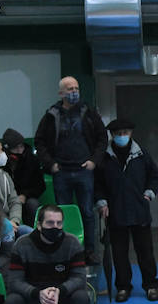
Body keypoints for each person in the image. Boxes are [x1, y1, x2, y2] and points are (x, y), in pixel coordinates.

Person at [34, 76, 107, 261]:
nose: (74, 91)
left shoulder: (88, 112)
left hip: (84, 170)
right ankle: (65, 252)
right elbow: (39, 142)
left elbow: (102, 138)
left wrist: (94, 161)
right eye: (69, 89)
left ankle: (89, 252)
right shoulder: (51, 114)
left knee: (87, 213)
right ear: (61, 93)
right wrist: (50, 164)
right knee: (62, 215)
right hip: (62, 172)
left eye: (76, 88)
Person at [95, 118, 158, 302]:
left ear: (131, 133)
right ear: (112, 135)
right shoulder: (104, 157)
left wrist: (149, 193)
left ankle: (151, 285)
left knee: (146, 252)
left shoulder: (141, 154)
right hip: (115, 212)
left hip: (139, 211)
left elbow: (155, 176)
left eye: (125, 133)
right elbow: (98, 184)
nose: (122, 136)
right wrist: (102, 202)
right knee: (119, 254)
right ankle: (123, 287)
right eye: (118, 134)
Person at [1, 128, 46, 227]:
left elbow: (40, 185)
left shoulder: (32, 160)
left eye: (21, 146)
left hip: (27, 197)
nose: (20, 150)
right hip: (7, 198)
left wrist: (25, 195)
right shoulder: (2, 163)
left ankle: (34, 231)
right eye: (15, 148)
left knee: (33, 205)